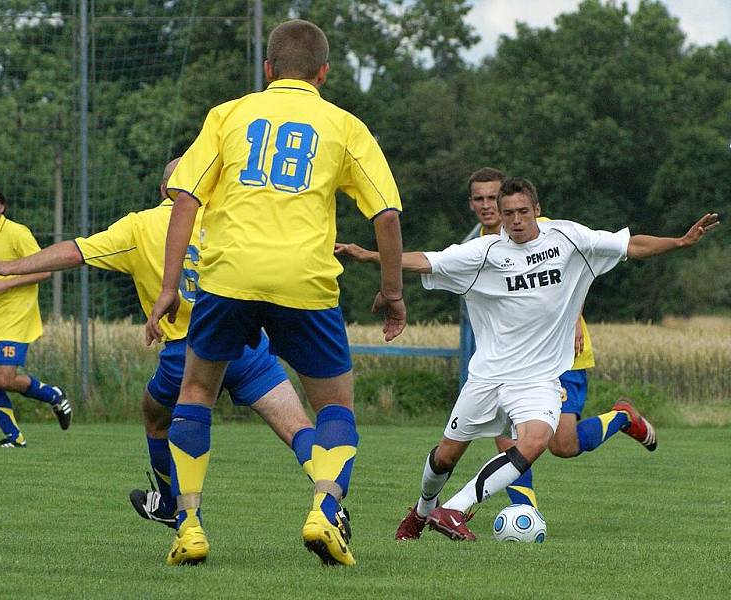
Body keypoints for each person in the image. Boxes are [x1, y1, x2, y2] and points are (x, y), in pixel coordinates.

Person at [145, 19, 406, 566]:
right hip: (303, 280)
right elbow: (385, 212)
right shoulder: (344, 125)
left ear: (268, 70)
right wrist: (392, 290)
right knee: (334, 405)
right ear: (324, 73)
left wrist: (170, 288)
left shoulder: (228, 115)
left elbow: (185, 200)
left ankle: (188, 524)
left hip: (227, 275)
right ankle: (325, 509)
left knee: (195, 393)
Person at [336, 176, 718, 541]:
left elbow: (630, 245)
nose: (516, 220)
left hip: (538, 379)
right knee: (445, 456)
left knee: (537, 441)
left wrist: (681, 242)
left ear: (537, 209)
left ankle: (455, 509)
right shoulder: (485, 253)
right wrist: (371, 255)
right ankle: (421, 512)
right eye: (508, 214)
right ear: (500, 217)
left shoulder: (568, 237)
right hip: (489, 376)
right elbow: (427, 261)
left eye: (523, 211)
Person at [0, 159, 330, 533]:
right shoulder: (230, 218)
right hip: (246, 344)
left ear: (161, 191)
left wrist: (9, 268)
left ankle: (178, 510)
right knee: (298, 426)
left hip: (188, 354)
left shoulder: (139, 226)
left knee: (157, 415)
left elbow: (75, 252)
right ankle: (329, 504)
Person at [450, 168, 658, 523]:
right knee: (508, 435)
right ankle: (523, 512)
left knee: (564, 445)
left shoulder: (542, 227)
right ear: (471, 204)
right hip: (512, 363)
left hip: (561, 354)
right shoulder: (479, 247)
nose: (488, 205)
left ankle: (622, 417)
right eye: (480, 199)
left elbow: (575, 271)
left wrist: (575, 320)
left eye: (493, 197)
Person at [0, 184, 72, 448]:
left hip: (17, 318)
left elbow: (45, 270)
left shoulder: (18, 233)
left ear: (2, 207)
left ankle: (54, 395)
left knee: (4, 379)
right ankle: (15, 437)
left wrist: (7, 282)